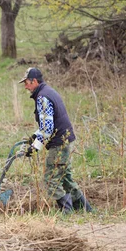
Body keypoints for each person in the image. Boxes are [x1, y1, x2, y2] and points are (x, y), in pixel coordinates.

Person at [18, 67, 93, 213]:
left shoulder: (42, 97)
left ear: (34, 81)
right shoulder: (48, 91)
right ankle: (85, 209)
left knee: (51, 178)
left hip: (58, 143)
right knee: (65, 177)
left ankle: (67, 211)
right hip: (65, 139)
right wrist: (34, 136)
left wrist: (35, 147)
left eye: (26, 83)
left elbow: (47, 128)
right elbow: (48, 123)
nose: (26, 87)